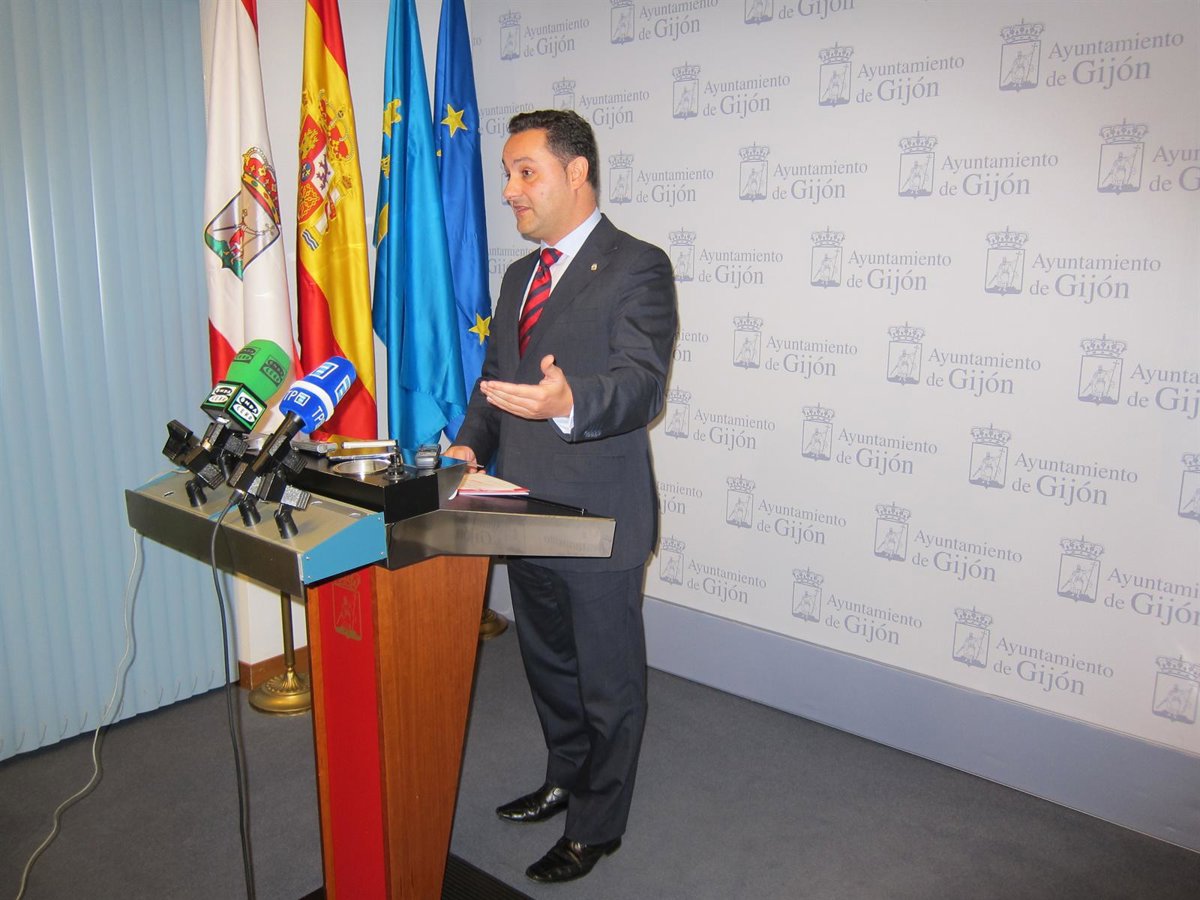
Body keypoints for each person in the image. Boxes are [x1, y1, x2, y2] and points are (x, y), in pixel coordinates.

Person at [446, 109, 678, 884]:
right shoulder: (520, 275)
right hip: (520, 511)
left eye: (526, 172)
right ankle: (564, 776)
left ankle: (597, 826)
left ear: (576, 173)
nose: (509, 190)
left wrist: (570, 399)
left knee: (609, 685)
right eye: (507, 174)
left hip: (599, 517)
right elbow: (495, 382)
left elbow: (641, 384)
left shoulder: (639, 266)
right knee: (549, 667)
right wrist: (469, 442)